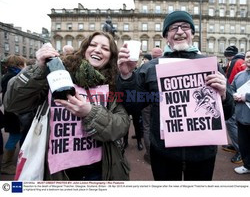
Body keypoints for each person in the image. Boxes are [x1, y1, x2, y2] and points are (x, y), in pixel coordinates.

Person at [116, 11, 234, 180]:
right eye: (173, 28)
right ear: (166, 36)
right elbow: (132, 106)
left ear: (192, 34)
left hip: (202, 154)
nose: (179, 31)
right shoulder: (150, 68)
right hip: (164, 155)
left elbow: (228, 113)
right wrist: (126, 77)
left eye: (185, 27)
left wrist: (224, 96)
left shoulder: (211, 65)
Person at [4, 31, 130, 180]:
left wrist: (90, 113)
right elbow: (13, 103)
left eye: (105, 48)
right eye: (93, 45)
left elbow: (121, 125)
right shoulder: (56, 73)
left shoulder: (112, 84)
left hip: (98, 170)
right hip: (57, 172)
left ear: (110, 57)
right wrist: (38, 69)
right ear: (84, 49)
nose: (97, 50)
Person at [1, 55, 27, 175]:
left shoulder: (8, 75)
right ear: (18, 64)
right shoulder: (12, 76)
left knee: (15, 136)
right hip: (14, 113)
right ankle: (6, 165)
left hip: (12, 112)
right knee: (14, 137)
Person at [222, 46, 246, 164]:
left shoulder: (235, 62)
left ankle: (241, 150)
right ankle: (237, 146)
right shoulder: (241, 61)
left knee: (231, 122)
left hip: (238, 97)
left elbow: (229, 80)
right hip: (241, 97)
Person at [231, 50, 250, 174]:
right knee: (244, 145)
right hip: (241, 117)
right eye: (248, 57)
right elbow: (231, 89)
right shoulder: (239, 75)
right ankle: (247, 165)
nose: (249, 59)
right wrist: (233, 95)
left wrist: (246, 97)